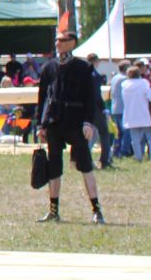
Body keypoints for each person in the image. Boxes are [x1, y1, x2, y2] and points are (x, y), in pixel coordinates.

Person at [36, 30, 105, 223]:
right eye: (57, 39)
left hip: (76, 122)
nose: (58, 43)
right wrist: (41, 124)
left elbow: (91, 97)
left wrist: (88, 122)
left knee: (85, 166)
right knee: (54, 167)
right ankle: (53, 210)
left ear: (72, 43)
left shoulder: (83, 68)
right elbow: (42, 98)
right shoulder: (49, 68)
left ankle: (96, 210)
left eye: (63, 40)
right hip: (54, 122)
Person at [118, 65, 151, 163]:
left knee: (135, 138)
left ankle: (138, 156)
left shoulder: (124, 85)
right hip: (144, 114)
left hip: (130, 115)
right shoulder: (144, 83)